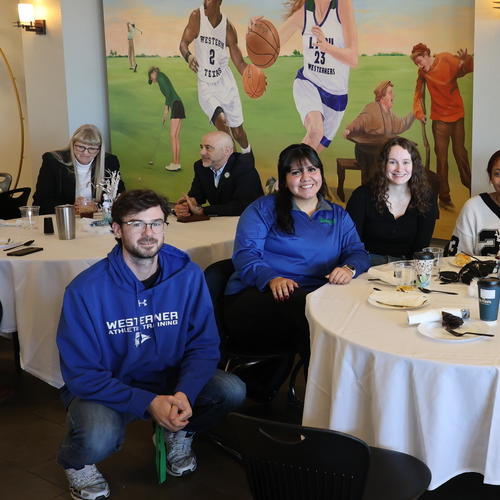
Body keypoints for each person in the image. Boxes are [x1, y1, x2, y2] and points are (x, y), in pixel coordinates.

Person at [55, 189, 246, 500]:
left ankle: (176, 431)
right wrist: (147, 401)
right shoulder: (85, 290)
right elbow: (82, 374)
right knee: (97, 439)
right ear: (116, 229)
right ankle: (76, 463)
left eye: (157, 223)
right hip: (110, 388)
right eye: (137, 224)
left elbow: (204, 345)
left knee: (232, 390)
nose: (149, 233)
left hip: (169, 379)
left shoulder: (188, 275)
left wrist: (183, 393)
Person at [224, 144, 369, 368]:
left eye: (312, 169)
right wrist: (272, 278)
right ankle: (322, 395)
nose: (306, 178)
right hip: (256, 300)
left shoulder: (337, 214)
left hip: (315, 302)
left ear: (320, 173)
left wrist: (349, 268)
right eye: (295, 172)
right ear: (284, 178)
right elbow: (245, 255)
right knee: (305, 306)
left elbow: (357, 252)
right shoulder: (261, 210)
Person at [253, 0, 358, 154]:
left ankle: (282, 180)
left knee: (310, 159)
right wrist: (255, 32)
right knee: (315, 131)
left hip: (337, 97)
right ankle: (284, 182)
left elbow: (353, 58)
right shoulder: (305, 12)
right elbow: (272, 43)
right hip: (309, 83)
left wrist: (327, 47)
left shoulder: (342, 1)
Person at [179, 0, 255, 162]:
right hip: (206, 84)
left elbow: (238, 61)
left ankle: (248, 161)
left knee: (239, 133)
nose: (205, 2)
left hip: (225, 82)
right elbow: (183, 44)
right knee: (222, 124)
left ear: (219, 1)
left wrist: (252, 77)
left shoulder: (228, 28)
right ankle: (237, 169)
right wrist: (189, 56)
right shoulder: (197, 17)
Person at [346, 137, 438, 265]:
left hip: (407, 265)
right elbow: (351, 243)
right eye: (393, 162)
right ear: (383, 165)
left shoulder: (427, 196)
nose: (399, 169)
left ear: (414, 165)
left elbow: (421, 246)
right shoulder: (362, 195)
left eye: (406, 162)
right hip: (366, 262)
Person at [410, 43, 472, 212]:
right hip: (439, 121)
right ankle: (444, 198)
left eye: (420, 60)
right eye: (416, 63)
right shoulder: (422, 73)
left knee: (461, 154)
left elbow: (464, 69)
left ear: (426, 54)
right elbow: (417, 95)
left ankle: (473, 189)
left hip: (457, 116)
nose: (419, 64)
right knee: (442, 160)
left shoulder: (445, 58)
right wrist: (419, 112)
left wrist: (465, 62)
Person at [34, 124, 126, 215]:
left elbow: (120, 198)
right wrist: (71, 208)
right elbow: (41, 201)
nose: (85, 152)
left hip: (97, 219)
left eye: (92, 149)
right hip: (64, 219)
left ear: (99, 150)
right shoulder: (54, 161)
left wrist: (97, 207)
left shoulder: (109, 162)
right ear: (73, 145)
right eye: (81, 147)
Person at [174, 131, 263, 218]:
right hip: (219, 223)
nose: (202, 152)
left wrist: (202, 211)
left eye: (208, 148)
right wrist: (186, 205)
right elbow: (197, 196)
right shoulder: (201, 167)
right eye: (202, 147)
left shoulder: (244, 168)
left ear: (226, 151)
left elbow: (241, 206)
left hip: (248, 221)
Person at [343, 80, 418, 181]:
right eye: (390, 93)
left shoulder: (391, 114)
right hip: (366, 153)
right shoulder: (372, 108)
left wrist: (414, 114)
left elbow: (400, 125)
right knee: (379, 169)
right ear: (382, 96)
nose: (393, 95)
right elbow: (360, 121)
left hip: (383, 153)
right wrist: (348, 129)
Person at [148, 66, 186, 172]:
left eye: (151, 78)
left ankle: (175, 163)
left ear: (153, 72)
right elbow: (168, 94)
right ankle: (176, 163)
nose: (153, 80)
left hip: (175, 104)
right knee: (175, 136)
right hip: (178, 104)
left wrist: (166, 109)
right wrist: (166, 111)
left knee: (172, 135)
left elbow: (168, 92)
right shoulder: (161, 77)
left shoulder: (160, 77)